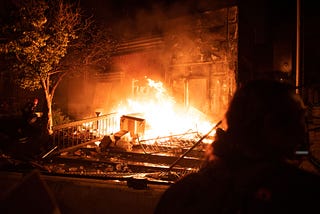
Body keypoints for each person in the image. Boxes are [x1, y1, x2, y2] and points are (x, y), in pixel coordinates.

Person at [154, 79, 320, 214]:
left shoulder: (184, 193)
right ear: (271, 125)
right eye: (298, 118)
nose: (302, 129)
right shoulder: (302, 194)